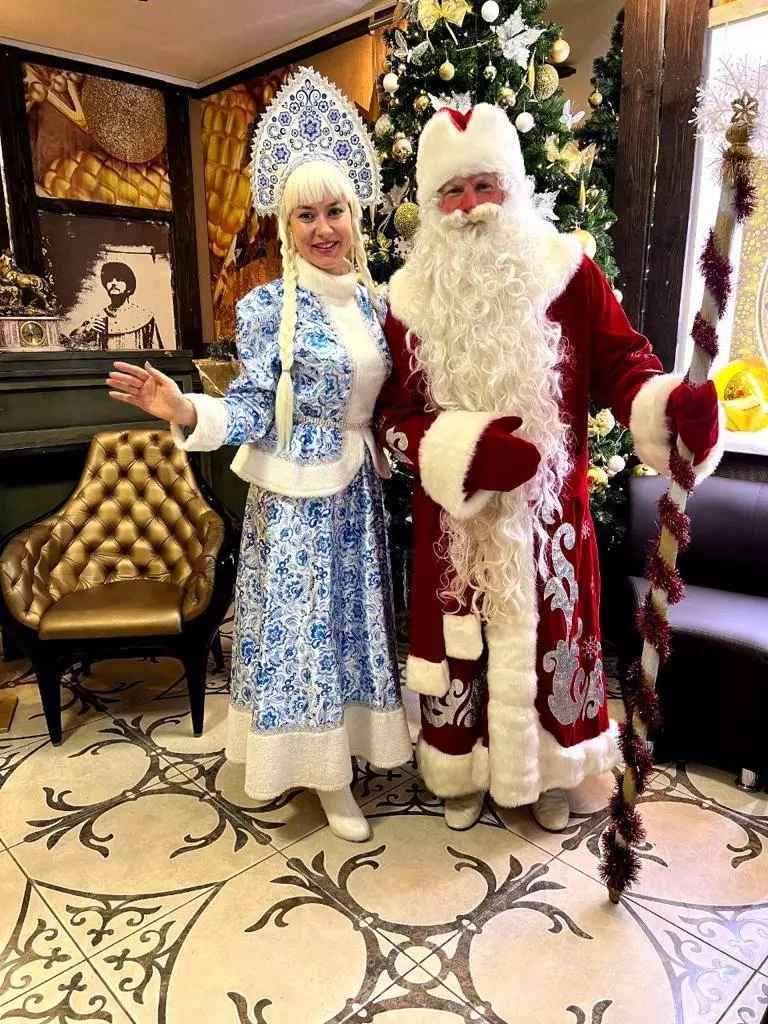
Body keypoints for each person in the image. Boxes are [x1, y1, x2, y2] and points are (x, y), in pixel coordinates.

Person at [377, 104, 723, 833]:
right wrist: (461, 450)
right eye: (452, 191)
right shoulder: (406, 300)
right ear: (433, 204)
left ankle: (552, 772)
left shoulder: (567, 271)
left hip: (549, 519)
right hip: (456, 519)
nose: (469, 206)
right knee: (463, 650)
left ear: (512, 185)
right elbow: (392, 418)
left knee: (554, 642)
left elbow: (626, 365)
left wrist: (670, 407)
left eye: (484, 185)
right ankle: (462, 770)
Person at [106, 69, 412, 841]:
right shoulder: (268, 307)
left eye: (334, 211)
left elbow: (395, 398)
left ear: (354, 214)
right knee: (301, 639)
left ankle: (345, 753)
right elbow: (250, 405)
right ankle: (316, 777)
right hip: (296, 498)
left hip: (357, 495)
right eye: (305, 214)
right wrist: (186, 409)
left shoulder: (378, 304)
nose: (323, 228)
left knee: (348, 631)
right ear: (286, 223)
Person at [71, 261, 162, 350]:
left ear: (129, 287)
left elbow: (157, 352)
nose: (113, 283)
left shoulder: (144, 317)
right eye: (109, 280)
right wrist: (86, 330)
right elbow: (72, 346)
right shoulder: (97, 318)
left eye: (119, 279)